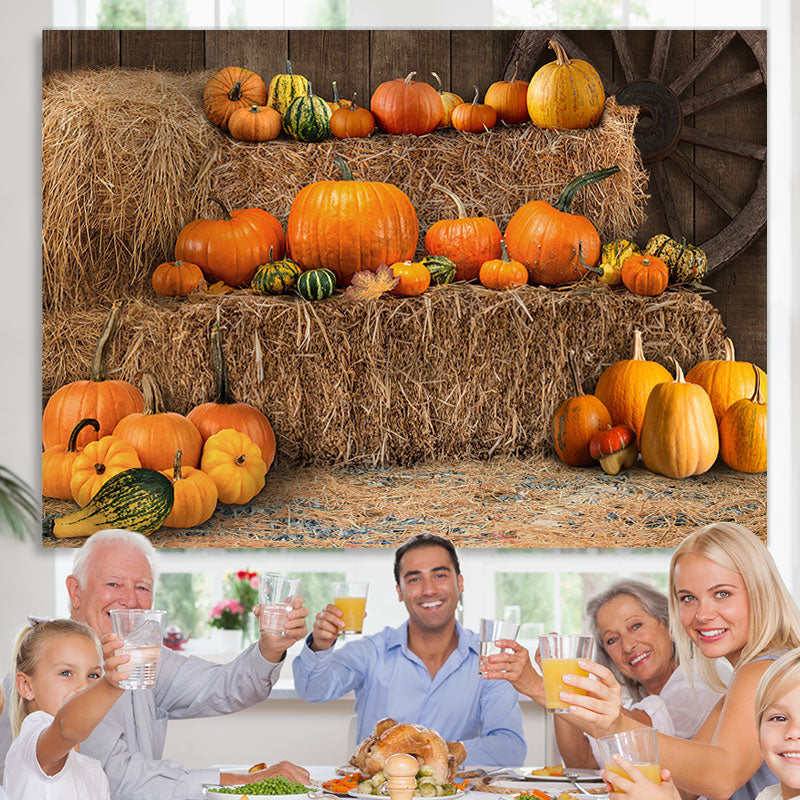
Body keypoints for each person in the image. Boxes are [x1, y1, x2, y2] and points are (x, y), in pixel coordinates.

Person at [0, 529, 311, 800]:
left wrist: (270, 649)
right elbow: (122, 783)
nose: (130, 601)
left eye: (143, 588)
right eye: (113, 583)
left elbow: (225, 687)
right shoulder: (48, 672)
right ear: (75, 592)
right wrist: (243, 782)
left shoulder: (143, 657)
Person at [552, 523, 800, 800]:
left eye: (722, 593)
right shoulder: (754, 671)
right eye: (688, 598)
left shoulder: (766, 670)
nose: (702, 614)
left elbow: (720, 776)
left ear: (760, 591)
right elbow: (688, 790)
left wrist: (617, 726)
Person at [292, 533, 526, 766]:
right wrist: (320, 645)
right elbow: (312, 690)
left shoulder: (490, 661)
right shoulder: (371, 653)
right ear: (399, 592)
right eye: (414, 579)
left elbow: (510, 748)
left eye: (440, 575)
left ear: (460, 583)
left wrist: (433, 754)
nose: (429, 590)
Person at [483, 579, 726, 767]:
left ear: (668, 625)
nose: (628, 645)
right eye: (612, 640)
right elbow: (582, 764)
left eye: (636, 626)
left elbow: (645, 735)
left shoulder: (701, 678)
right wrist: (556, 680)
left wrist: (540, 686)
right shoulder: (637, 702)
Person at [3, 618, 129, 799]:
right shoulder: (31, 745)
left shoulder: (92, 771)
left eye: (93, 675)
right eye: (66, 673)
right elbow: (66, 728)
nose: (84, 687)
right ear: (26, 686)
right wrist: (112, 685)